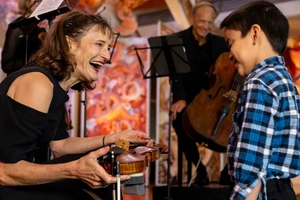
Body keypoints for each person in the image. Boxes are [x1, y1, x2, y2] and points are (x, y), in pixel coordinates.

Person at [0, 10, 150, 200]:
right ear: (70, 44)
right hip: (5, 181)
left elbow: (60, 145)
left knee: (98, 185)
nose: (106, 55)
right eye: (99, 44)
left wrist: (115, 138)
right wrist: (74, 170)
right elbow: (4, 172)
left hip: (11, 177)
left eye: (108, 47)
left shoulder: (55, 86)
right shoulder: (38, 84)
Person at [220, 1, 300, 199]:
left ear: (254, 34)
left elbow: (251, 171)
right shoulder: (284, 78)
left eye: (231, 43)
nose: (230, 55)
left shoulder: (259, 82)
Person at [170, 1, 229, 187]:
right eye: (202, 21)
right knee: (177, 117)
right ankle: (199, 169)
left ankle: (228, 171)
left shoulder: (221, 43)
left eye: (210, 23)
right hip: (188, 98)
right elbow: (176, 75)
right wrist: (180, 98)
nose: (206, 26)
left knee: (236, 120)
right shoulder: (177, 41)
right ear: (193, 18)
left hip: (213, 100)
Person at [1, 0, 47, 75]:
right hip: (24, 80)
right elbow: (7, 64)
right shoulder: (19, 26)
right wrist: (36, 62)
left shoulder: (49, 24)